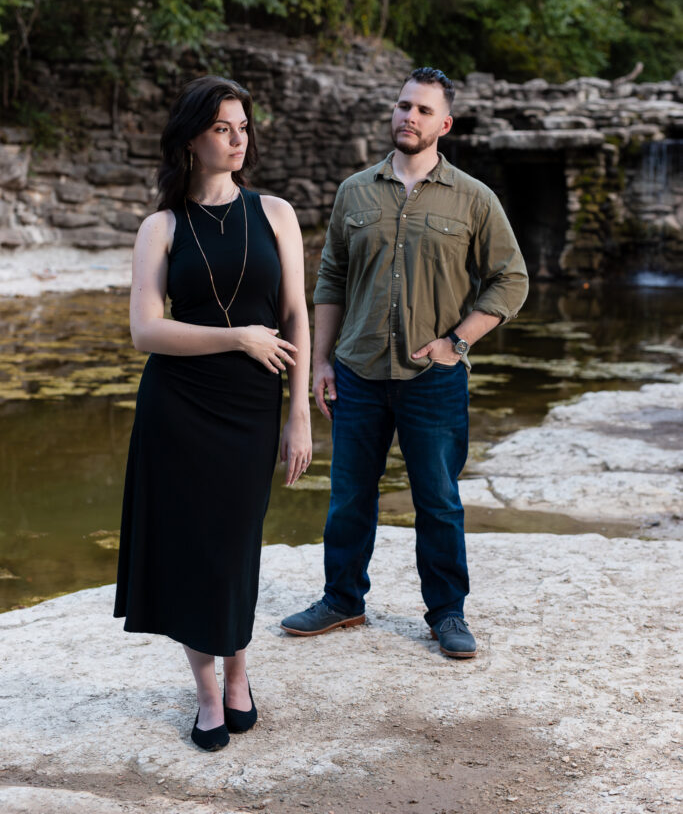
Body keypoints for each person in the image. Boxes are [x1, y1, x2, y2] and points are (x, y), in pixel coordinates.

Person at [280, 67, 528, 658]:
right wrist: (321, 362)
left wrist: (457, 342)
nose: (407, 117)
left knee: (437, 500)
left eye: (421, 110)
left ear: (444, 124)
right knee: (348, 496)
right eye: (401, 106)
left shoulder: (474, 198)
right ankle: (342, 600)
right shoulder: (354, 192)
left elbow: (510, 279)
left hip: (433, 379)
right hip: (358, 371)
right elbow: (332, 278)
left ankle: (446, 614)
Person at [114, 75, 311, 750]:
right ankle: (208, 693)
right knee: (192, 551)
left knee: (234, 545)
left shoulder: (276, 213)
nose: (238, 140)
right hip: (179, 407)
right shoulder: (159, 227)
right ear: (193, 139)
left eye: (244, 128)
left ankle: (239, 671)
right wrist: (237, 338)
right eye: (224, 129)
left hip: (253, 408)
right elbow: (146, 331)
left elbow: (295, 317)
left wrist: (300, 417)